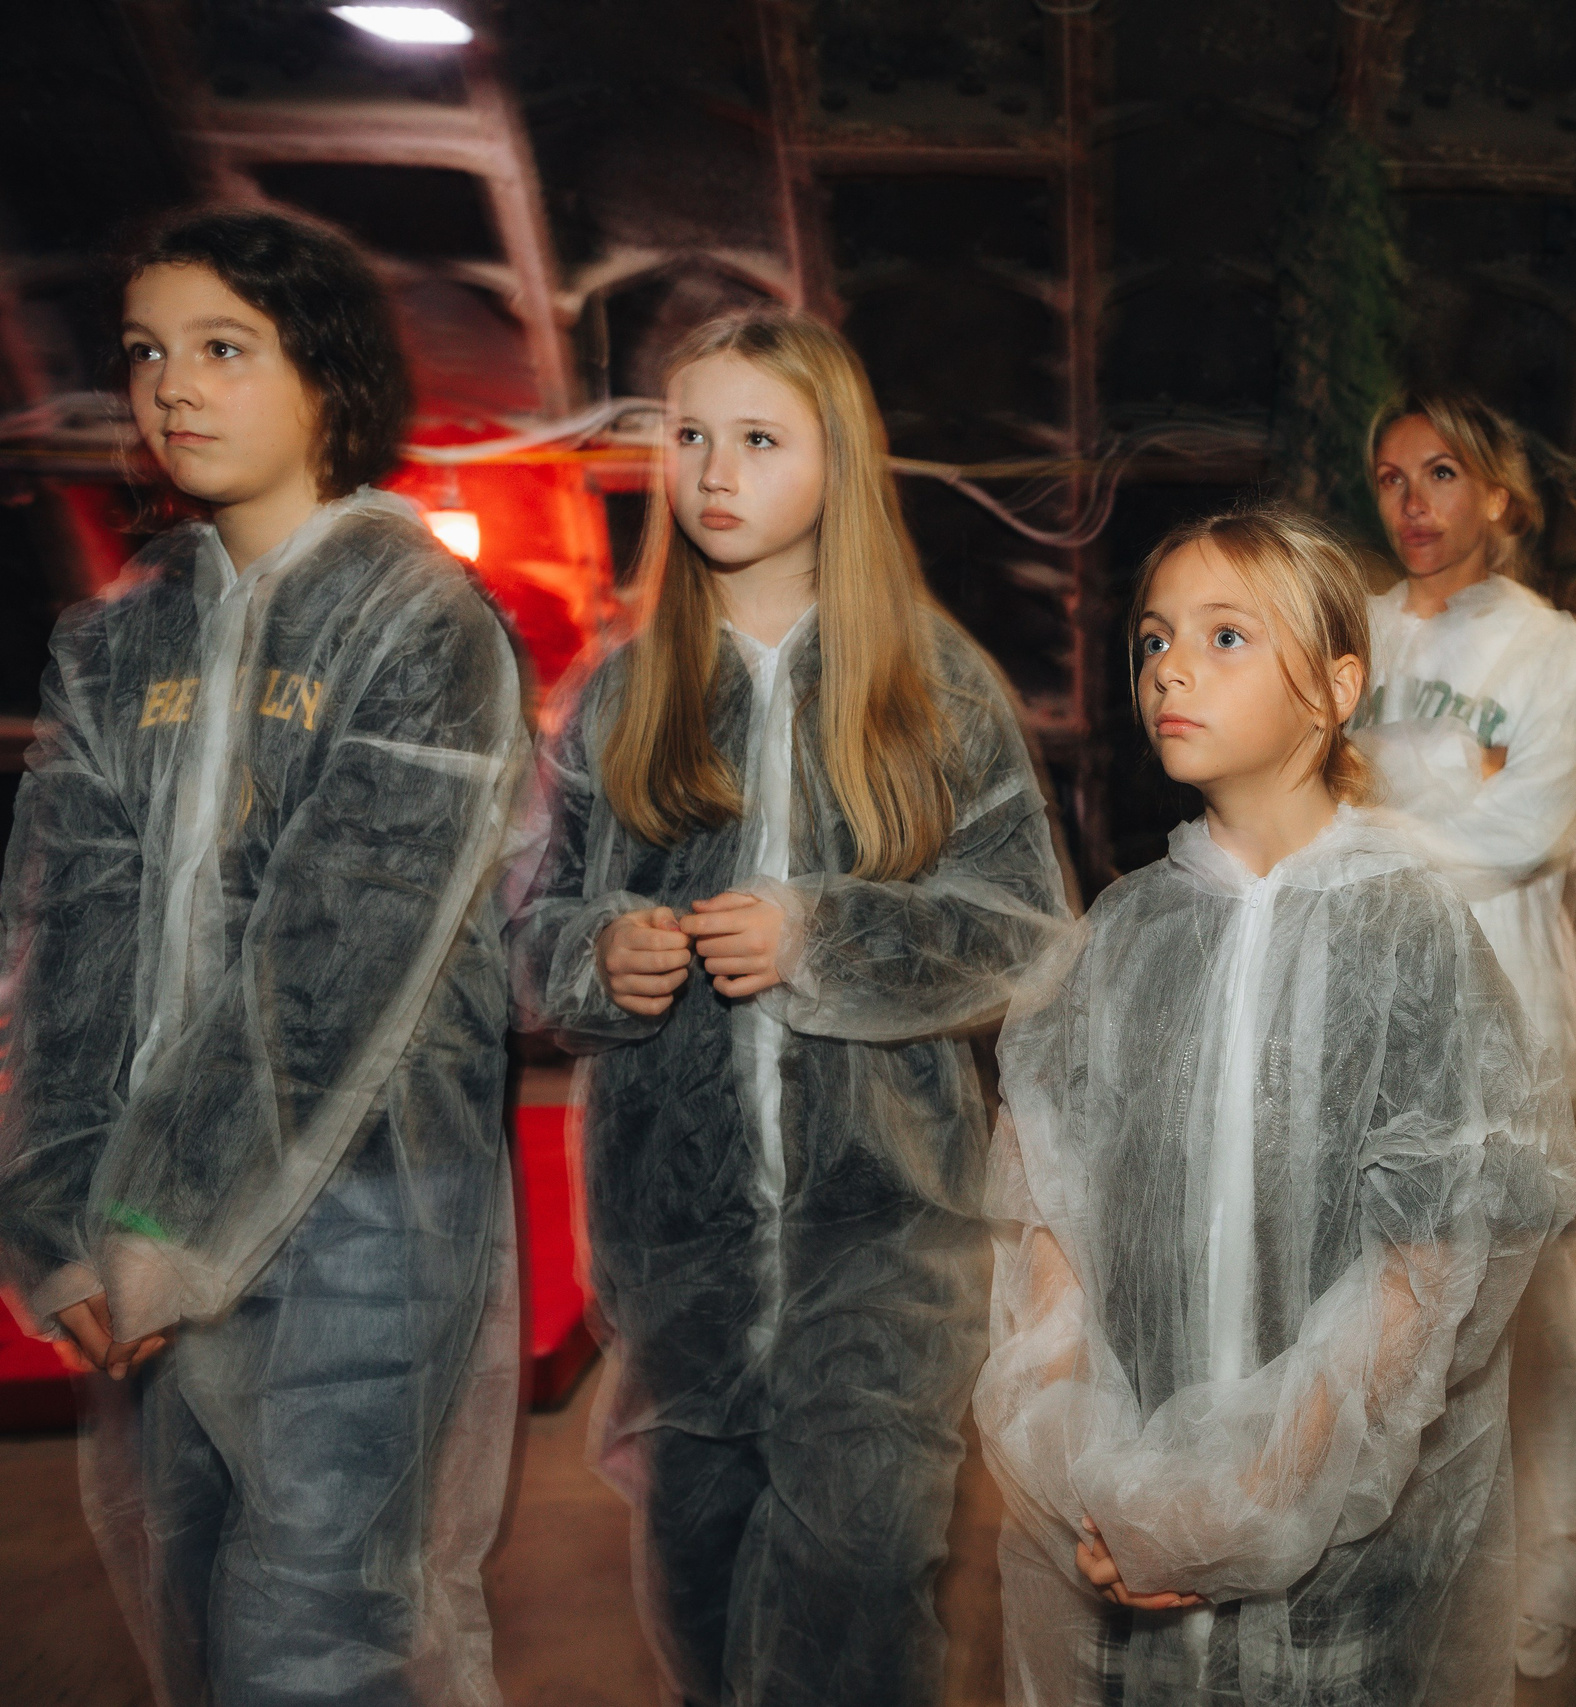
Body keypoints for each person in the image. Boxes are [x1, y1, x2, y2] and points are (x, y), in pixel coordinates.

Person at [0, 208, 528, 1704]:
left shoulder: (422, 619)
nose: (174, 386)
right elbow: (69, 931)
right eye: (149, 353)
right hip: (149, 1204)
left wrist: (164, 1205)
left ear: (326, 381)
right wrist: (55, 1209)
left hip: (363, 1201)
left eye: (225, 349)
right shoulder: (114, 645)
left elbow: (338, 954)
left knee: (314, 1638)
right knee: (200, 1622)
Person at [510, 308, 1071, 1706]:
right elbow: (524, 933)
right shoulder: (622, 699)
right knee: (702, 1593)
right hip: (676, 1254)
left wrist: (826, 932)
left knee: (857, 1602)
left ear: (842, 463)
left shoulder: (935, 692)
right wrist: (600, 954)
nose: (713, 470)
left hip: (885, 1246)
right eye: (689, 434)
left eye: (758, 439)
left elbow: (1022, 932)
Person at [976, 505, 1576, 1705]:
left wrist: (1253, 1493)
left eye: (1225, 636)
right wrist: (1092, 1466)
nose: (1171, 670)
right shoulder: (1125, 936)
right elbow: (1048, 1210)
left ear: (1334, 687)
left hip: (1334, 1557)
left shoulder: (1408, 933)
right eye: (1155, 640)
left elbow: (1430, 1260)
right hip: (1123, 1514)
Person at [1358, 392, 1576, 1675]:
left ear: (1501, 500)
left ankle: (1564, 1567)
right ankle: (1411, 1564)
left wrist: (1361, 839)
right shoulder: (1349, 635)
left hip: (1508, 1010)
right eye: (1392, 478)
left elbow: (1522, 828)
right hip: (1367, 1007)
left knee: (1529, 1301)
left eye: (1444, 473)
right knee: (1388, 1294)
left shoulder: (1555, 655)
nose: (1415, 502)